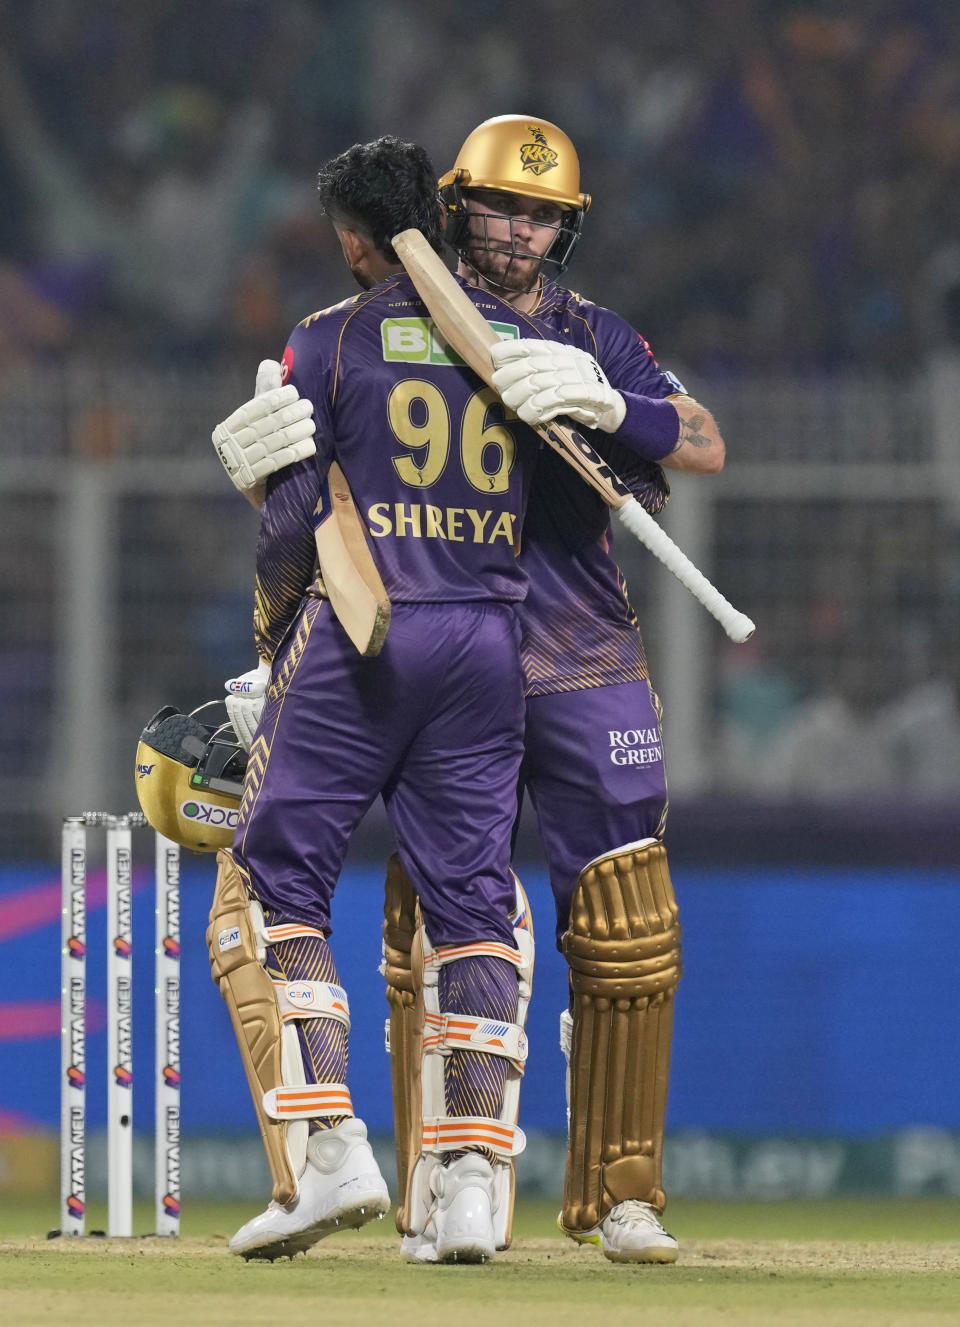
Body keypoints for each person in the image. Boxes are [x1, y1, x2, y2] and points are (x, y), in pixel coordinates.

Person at [215, 115, 726, 1266]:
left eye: (545, 215)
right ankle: (449, 1186)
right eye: (503, 207)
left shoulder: (576, 333)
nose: (523, 231)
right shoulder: (440, 329)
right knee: (445, 912)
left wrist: (608, 399)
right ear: (449, 207)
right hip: (480, 633)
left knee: (621, 921)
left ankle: (618, 1192)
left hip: (546, 642)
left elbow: (696, 440)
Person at [209, 135, 541, 1265]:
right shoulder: (515, 345)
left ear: (352, 240)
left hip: (363, 636)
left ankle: (331, 1144)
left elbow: (292, 524)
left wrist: (271, 644)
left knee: (275, 871)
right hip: (490, 640)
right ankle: (466, 1190)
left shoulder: (326, 342)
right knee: (472, 905)